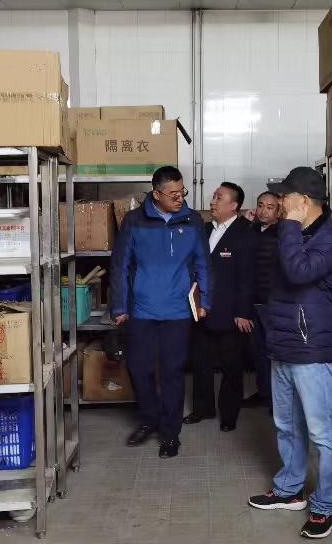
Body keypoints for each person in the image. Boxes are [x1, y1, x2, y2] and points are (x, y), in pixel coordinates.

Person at [247, 167, 332, 540]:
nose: (278, 202)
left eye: (284, 197)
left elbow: (298, 271)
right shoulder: (293, 232)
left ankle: (326, 506)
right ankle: (289, 490)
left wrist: (287, 226)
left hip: (313, 351)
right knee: (287, 425)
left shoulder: (331, 238)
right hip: (283, 344)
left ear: (303, 201)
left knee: (323, 433)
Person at [111, 165, 212, 459]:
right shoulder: (134, 221)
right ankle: (149, 419)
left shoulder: (193, 220)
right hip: (141, 310)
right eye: (173, 194)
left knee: (172, 373)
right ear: (156, 194)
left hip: (178, 311)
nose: (180, 198)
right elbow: (120, 265)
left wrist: (205, 301)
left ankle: (170, 433)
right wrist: (120, 306)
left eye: (182, 192)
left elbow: (203, 263)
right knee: (139, 369)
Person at [184, 182, 254, 431]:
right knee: (200, 363)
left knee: (231, 367)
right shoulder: (204, 229)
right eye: (213, 196)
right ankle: (203, 409)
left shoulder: (245, 233)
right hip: (202, 310)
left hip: (230, 313)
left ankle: (229, 415)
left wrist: (243, 312)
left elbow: (247, 278)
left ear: (233, 205)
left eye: (218, 197)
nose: (212, 201)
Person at [242, 191, 280, 407]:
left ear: (278, 211)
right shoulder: (252, 230)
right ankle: (263, 392)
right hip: (252, 301)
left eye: (270, 207)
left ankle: (277, 400)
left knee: (274, 352)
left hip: (272, 303)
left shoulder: (282, 232)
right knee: (258, 351)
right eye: (260, 205)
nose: (264, 211)